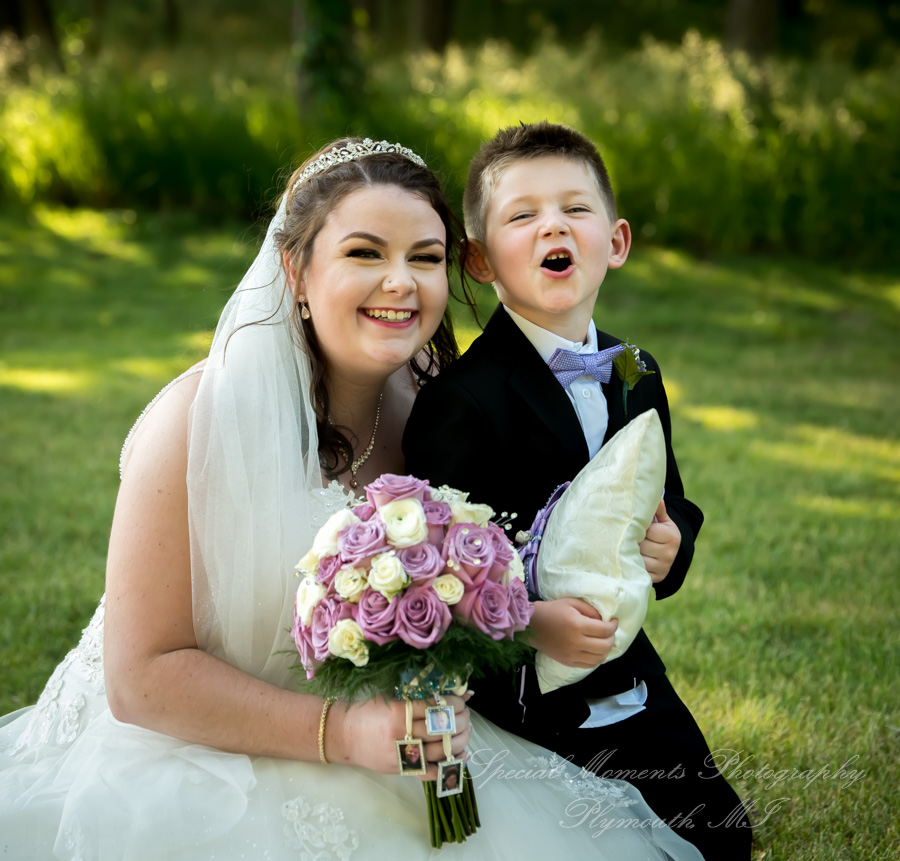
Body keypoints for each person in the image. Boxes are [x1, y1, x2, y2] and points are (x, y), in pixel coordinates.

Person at [0, 136, 702, 860]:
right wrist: (341, 733)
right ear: (296, 270)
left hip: (395, 734)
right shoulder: (196, 422)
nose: (400, 282)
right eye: (365, 253)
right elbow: (141, 679)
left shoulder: (435, 403)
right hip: (190, 750)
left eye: (424, 258)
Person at [403, 122, 753, 859]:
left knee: (721, 837)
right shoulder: (462, 401)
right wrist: (531, 624)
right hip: (525, 694)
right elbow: (443, 568)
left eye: (575, 209)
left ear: (616, 242)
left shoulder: (635, 368)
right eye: (523, 215)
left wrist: (674, 543)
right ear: (479, 259)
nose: (553, 226)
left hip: (629, 669)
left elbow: (672, 497)